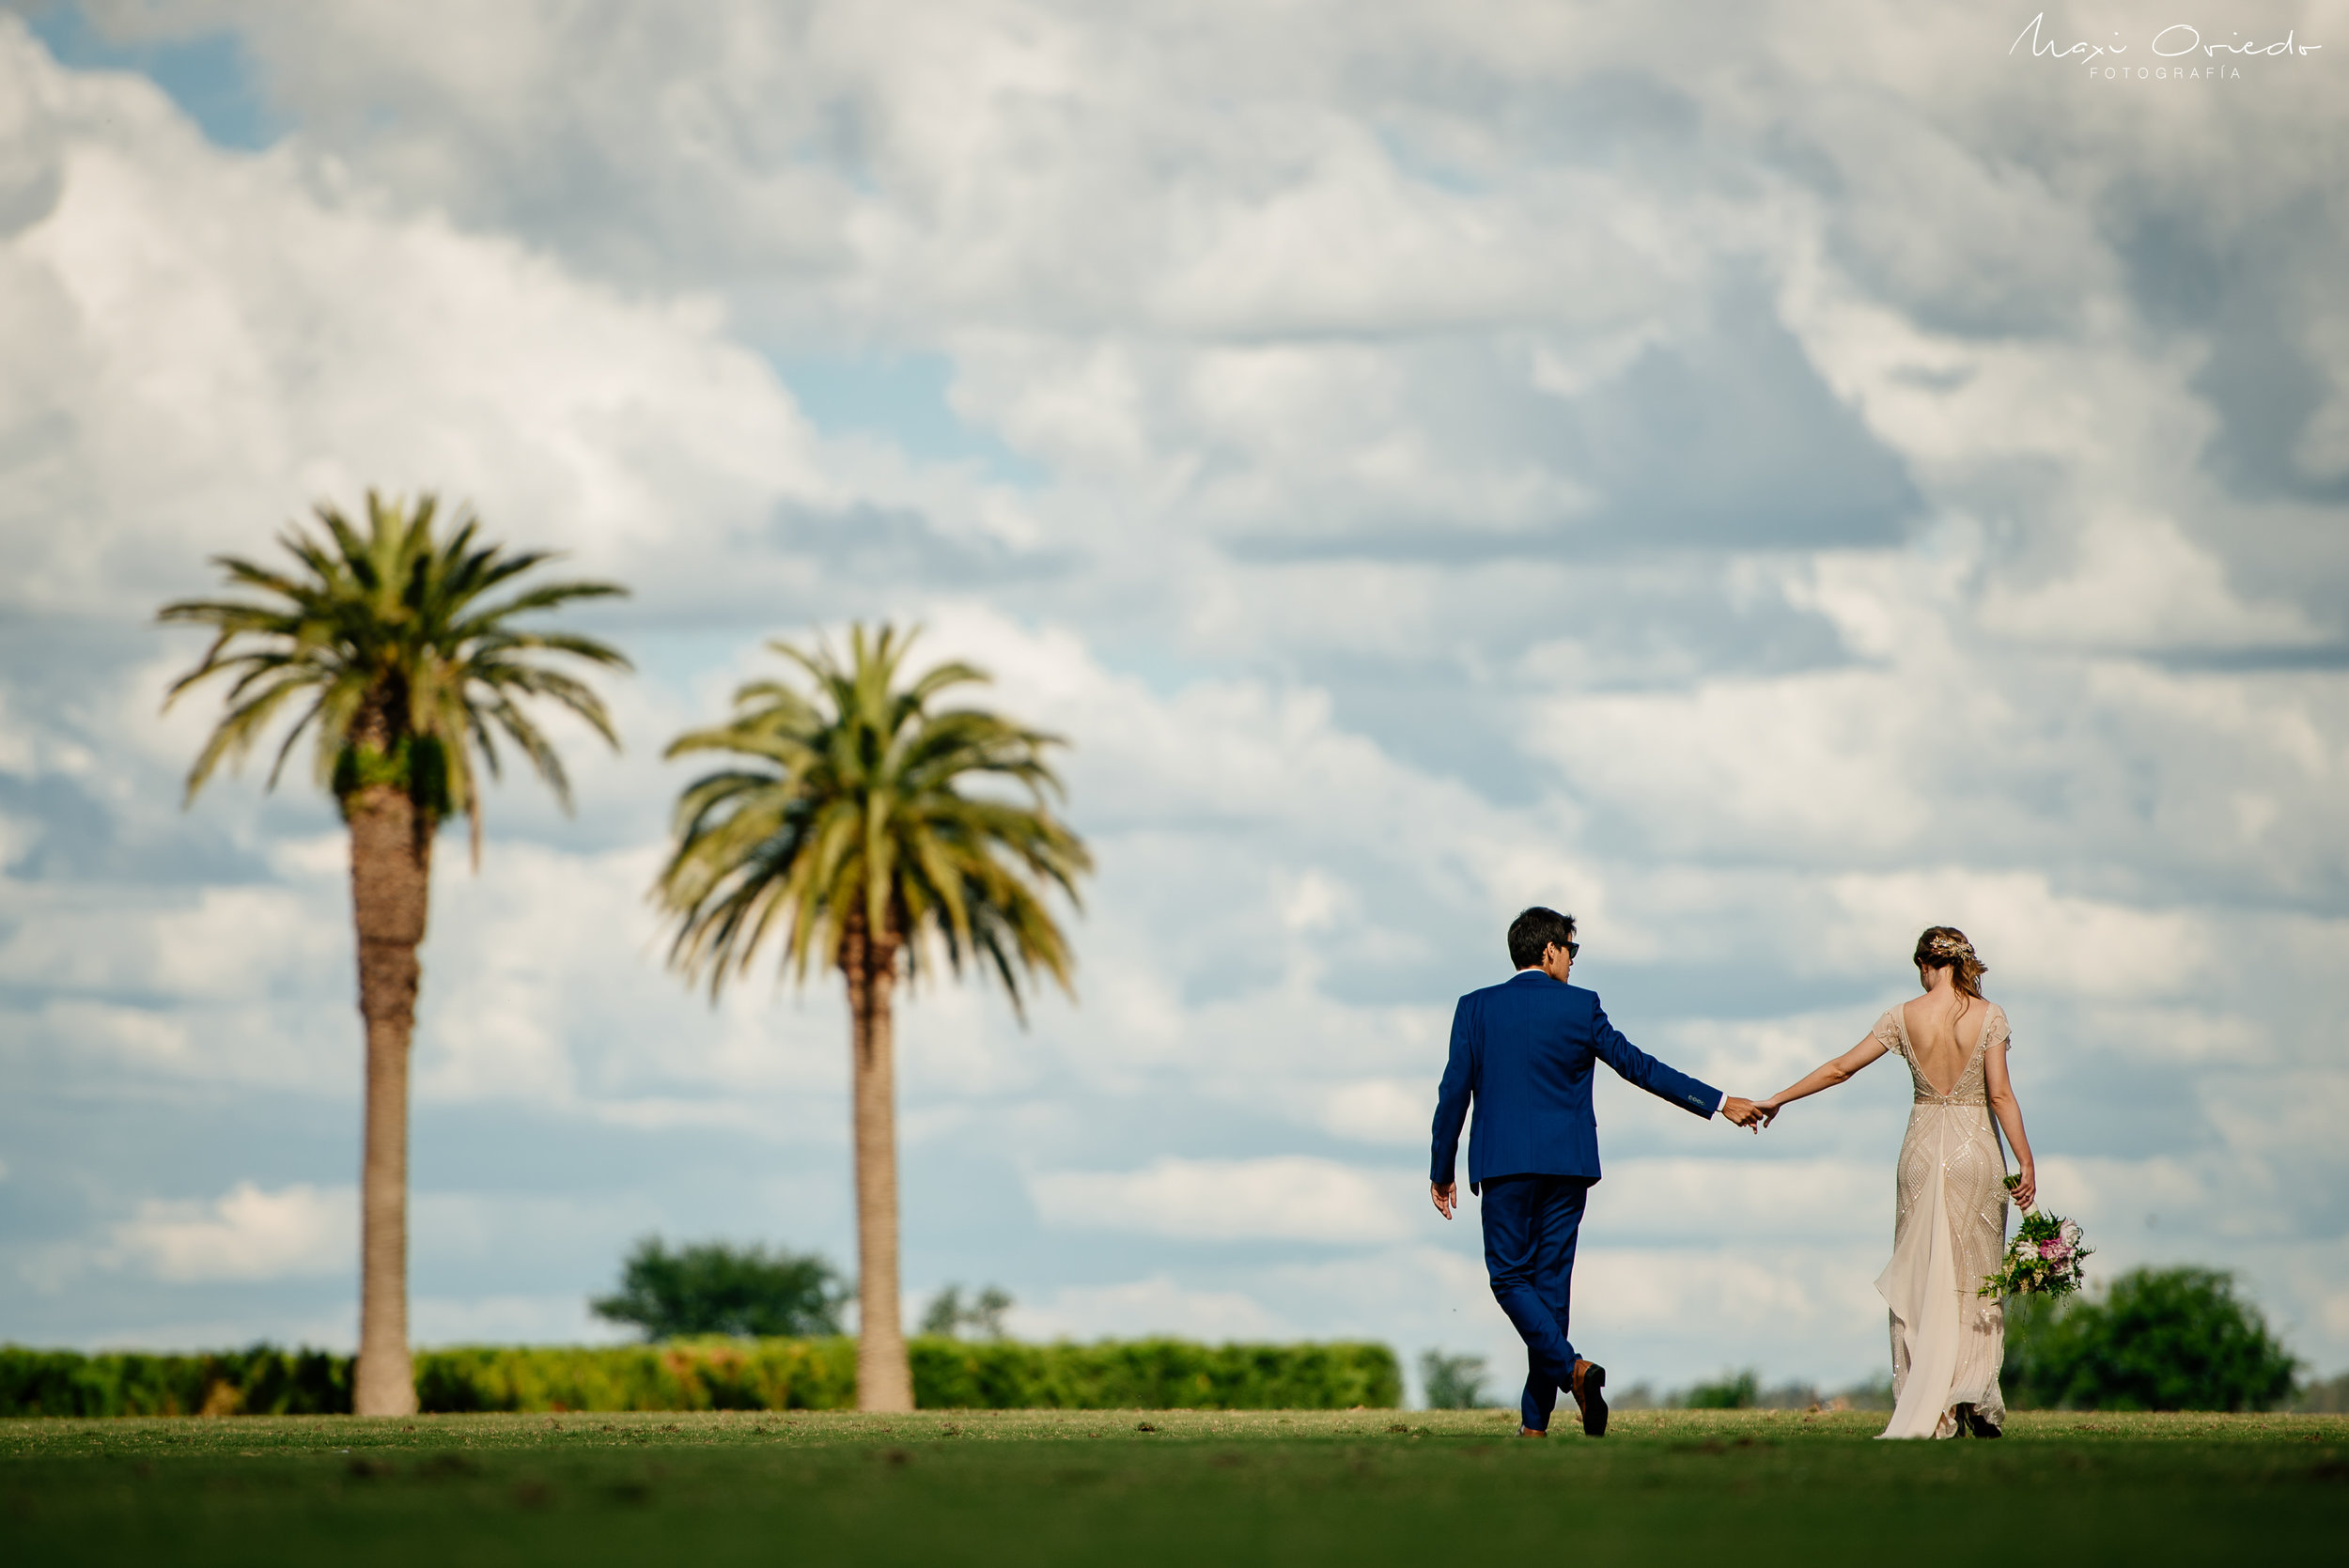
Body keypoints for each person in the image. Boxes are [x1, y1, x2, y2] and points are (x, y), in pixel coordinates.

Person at [1430, 907, 1766, 1437]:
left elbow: (1454, 1093)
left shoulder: (1475, 1008)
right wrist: (1719, 1101)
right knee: (1551, 1289)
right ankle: (1535, 1425)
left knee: (1509, 1279)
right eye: (1572, 949)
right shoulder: (1581, 1007)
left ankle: (1572, 1372)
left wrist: (1441, 1167)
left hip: (1504, 1166)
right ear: (1549, 951)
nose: (1573, 961)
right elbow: (1639, 1066)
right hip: (1569, 1165)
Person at [1757, 926, 2035, 1439]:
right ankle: (1973, 1391)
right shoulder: (1990, 1016)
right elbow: (2001, 1096)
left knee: (1921, 1273)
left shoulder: (1902, 1016)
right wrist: (2026, 1162)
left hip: (1923, 1150)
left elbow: (1841, 1069)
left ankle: (1929, 1401)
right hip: (1976, 1150)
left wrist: (1778, 1098)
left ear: (1926, 965)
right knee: (1977, 1273)